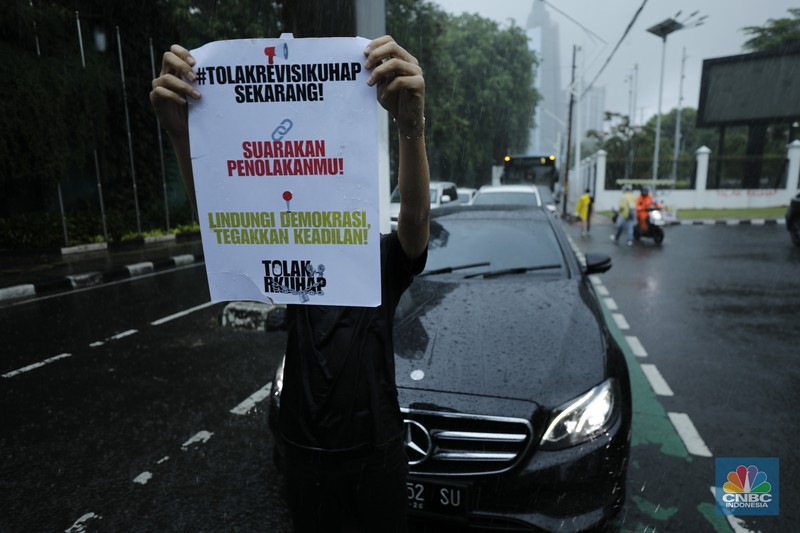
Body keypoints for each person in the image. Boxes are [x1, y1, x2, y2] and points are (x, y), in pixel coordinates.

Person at [150, 36, 429, 533]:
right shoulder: (293, 245)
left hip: (376, 449)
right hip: (303, 451)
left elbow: (415, 216)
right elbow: (226, 231)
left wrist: (410, 127)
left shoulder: (383, 257)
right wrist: (180, 135)